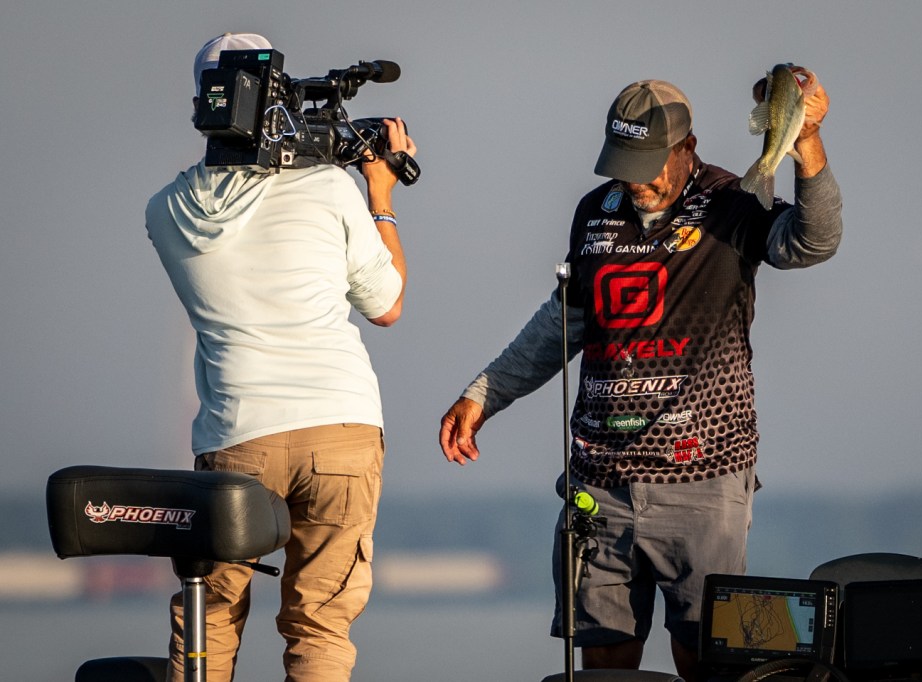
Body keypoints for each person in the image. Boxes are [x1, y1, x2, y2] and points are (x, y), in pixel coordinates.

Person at [439, 71, 841, 680]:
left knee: (706, 658)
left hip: (703, 476)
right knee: (604, 661)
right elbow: (564, 321)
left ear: (688, 147)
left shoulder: (734, 202)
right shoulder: (594, 212)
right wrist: (483, 395)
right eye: (624, 166)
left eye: (649, 166)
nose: (636, 182)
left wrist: (805, 141)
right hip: (598, 483)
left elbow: (813, 242)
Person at [145, 32, 416, 682]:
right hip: (341, 425)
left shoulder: (166, 211)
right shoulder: (328, 188)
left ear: (204, 104)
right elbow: (386, 304)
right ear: (278, 98)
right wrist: (380, 195)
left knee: (209, 612)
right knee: (320, 622)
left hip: (238, 436)